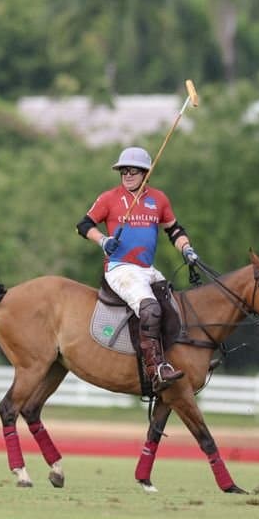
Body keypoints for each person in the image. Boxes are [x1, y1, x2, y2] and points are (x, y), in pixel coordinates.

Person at [77, 146, 199, 392]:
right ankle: (155, 369)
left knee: (174, 307)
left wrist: (186, 249)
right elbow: (83, 224)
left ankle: (181, 359)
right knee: (150, 309)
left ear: (146, 173)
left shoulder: (159, 199)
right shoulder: (109, 198)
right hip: (120, 268)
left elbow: (174, 230)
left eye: (133, 171)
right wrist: (103, 241)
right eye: (124, 171)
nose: (128, 175)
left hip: (146, 269)